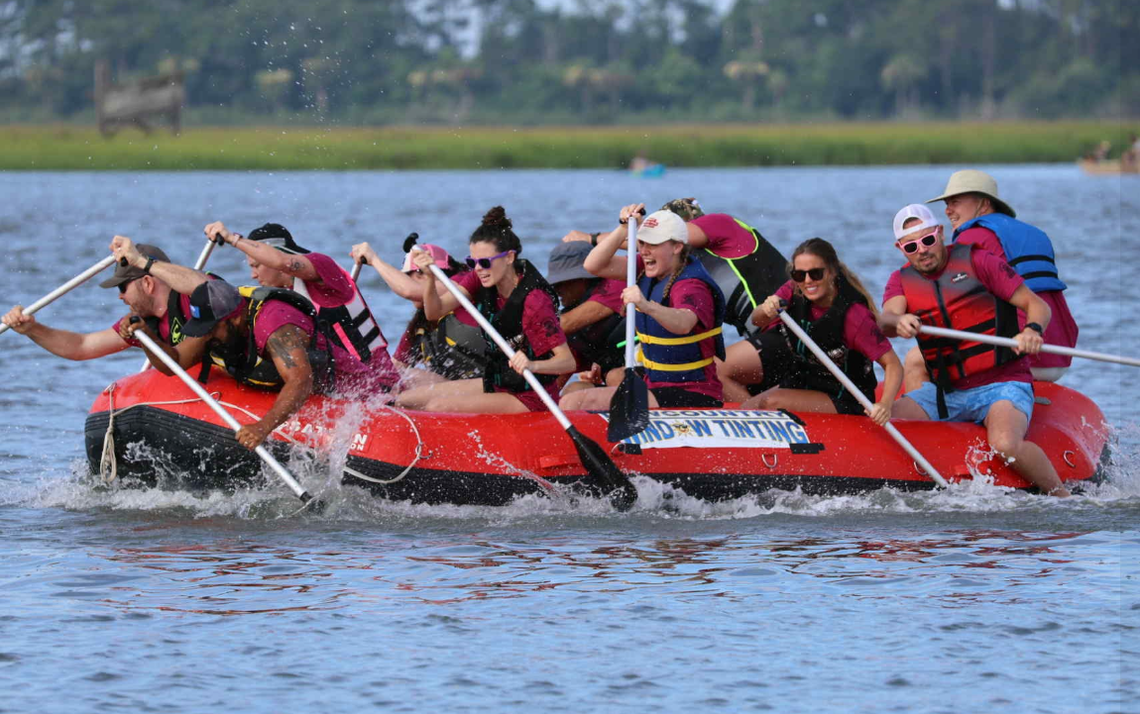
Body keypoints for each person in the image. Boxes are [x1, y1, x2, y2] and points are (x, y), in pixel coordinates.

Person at [879, 205, 1070, 497]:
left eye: (927, 240)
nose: (922, 250)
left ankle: (1062, 497)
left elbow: (1037, 305)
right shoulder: (900, 281)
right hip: (947, 392)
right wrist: (898, 321)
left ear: (939, 232)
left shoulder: (979, 260)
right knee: (885, 420)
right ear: (900, 248)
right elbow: (887, 319)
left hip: (1003, 384)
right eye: (911, 246)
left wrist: (1032, 330)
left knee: (1005, 444)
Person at [126, 279, 384, 450]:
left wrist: (263, 427)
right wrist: (147, 338)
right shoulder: (214, 326)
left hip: (352, 394)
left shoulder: (275, 327)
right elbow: (176, 364)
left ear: (235, 319)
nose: (208, 337)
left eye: (212, 330)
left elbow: (300, 381)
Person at [395, 206, 574, 414]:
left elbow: (566, 362)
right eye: (473, 262)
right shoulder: (478, 278)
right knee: (404, 400)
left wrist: (532, 366)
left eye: (485, 262)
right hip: (498, 382)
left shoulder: (535, 301)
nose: (478, 268)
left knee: (437, 407)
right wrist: (428, 278)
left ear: (509, 258)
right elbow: (434, 312)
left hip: (532, 395)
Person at [560, 205, 726, 411]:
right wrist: (622, 228)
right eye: (642, 242)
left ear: (677, 247)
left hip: (693, 393)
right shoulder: (645, 268)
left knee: (576, 402)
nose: (644, 250)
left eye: (653, 244)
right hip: (654, 384)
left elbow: (684, 323)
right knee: (573, 391)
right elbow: (593, 265)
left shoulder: (692, 285)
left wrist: (646, 306)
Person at [204, 220, 400, 391]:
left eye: (256, 265)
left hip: (377, 383)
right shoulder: (279, 301)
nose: (252, 276)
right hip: (339, 387)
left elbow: (284, 262)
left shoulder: (324, 269)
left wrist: (232, 238)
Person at [925, 170, 1078, 383]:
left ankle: (928, 413)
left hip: (1021, 354)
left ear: (984, 204)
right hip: (1060, 355)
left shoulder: (971, 238)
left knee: (919, 358)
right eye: (947, 204)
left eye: (955, 202)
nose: (948, 210)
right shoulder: (1034, 233)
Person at [564, 197, 786, 337]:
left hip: (786, 324)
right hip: (758, 334)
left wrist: (590, 238)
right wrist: (624, 227)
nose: (650, 246)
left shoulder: (720, 224)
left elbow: (672, 235)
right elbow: (594, 265)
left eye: (658, 236)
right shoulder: (670, 264)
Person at [736, 238, 901, 424]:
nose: (807, 281)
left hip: (846, 397)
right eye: (799, 275)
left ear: (831, 272)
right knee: (746, 409)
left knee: (770, 402)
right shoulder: (793, 290)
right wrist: (766, 309)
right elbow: (756, 319)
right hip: (804, 382)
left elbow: (893, 364)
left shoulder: (855, 316)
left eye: (815, 273)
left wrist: (885, 405)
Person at [2, 239, 210, 361]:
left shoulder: (194, 298)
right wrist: (32, 329)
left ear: (147, 283)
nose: (120, 296)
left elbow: (205, 286)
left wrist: (139, 261)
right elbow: (81, 346)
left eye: (122, 287)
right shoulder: (140, 323)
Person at [351, 235, 487, 385]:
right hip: (456, 392)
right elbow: (394, 369)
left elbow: (410, 290)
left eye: (411, 277)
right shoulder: (420, 324)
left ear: (433, 274)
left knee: (411, 376)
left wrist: (374, 259)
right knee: (398, 375)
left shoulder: (463, 283)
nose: (405, 282)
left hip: (490, 385)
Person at [545, 241, 626, 393]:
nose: (557, 290)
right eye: (554, 284)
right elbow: (553, 384)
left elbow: (563, 325)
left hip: (646, 377)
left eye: (562, 282)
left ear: (584, 278)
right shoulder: (575, 332)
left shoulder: (616, 285)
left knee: (616, 376)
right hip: (617, 385)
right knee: (573, 391)